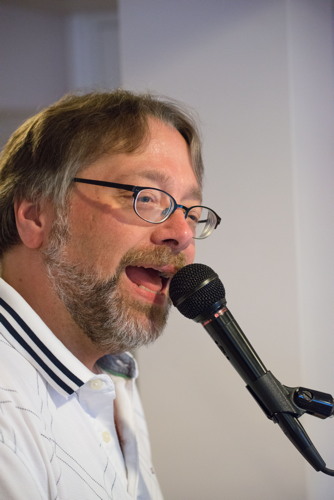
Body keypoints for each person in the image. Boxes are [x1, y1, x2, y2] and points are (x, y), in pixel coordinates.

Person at [0, 90, 221, 499]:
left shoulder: (111, 373)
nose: (183, 234)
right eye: (146, 197)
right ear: (35, 215)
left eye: (190, 210)